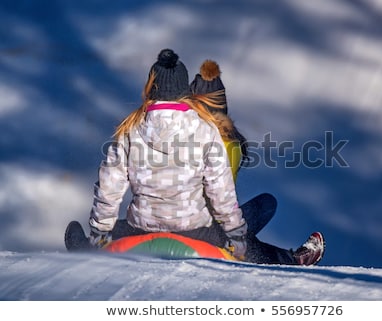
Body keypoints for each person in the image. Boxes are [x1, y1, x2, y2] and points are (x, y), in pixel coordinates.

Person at [86, 48, 324, 265]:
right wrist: (237, 237)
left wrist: (99, 233)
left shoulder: (130, 129)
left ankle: (84, 243)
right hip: (195, 230)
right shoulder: (205, 130)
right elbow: (221, 194)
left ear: (150, 87)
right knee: (247, 228)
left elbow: (109, 187)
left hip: (142, 227)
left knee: (111, 230)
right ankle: (289, 260)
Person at [189, 59, 276, 236]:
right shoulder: (230, 144)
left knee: (261, 207)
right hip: (206, 229)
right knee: (265, 205)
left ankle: (286, 258)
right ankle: (287, 258)